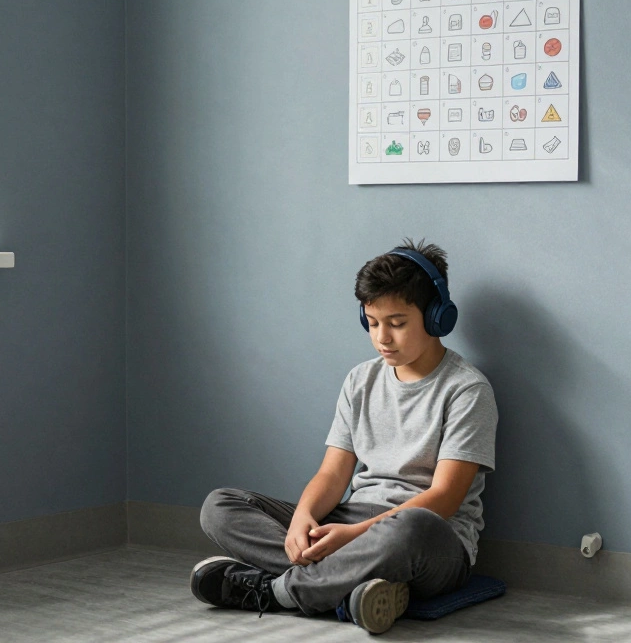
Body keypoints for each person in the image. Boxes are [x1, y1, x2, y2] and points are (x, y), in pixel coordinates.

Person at [189, 239, 498, 634]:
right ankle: (353, 585)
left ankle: (274, 591)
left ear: (437, 317)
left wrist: (353, 537)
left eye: (397, 323)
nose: (382, 337)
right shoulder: (360, 380)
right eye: (372, 323)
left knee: (410, 528)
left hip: (430, 537)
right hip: (353, 520)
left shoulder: (467, 390)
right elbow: (333, 475)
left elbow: (445, 499)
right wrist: (303, 519)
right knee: (220, 505)